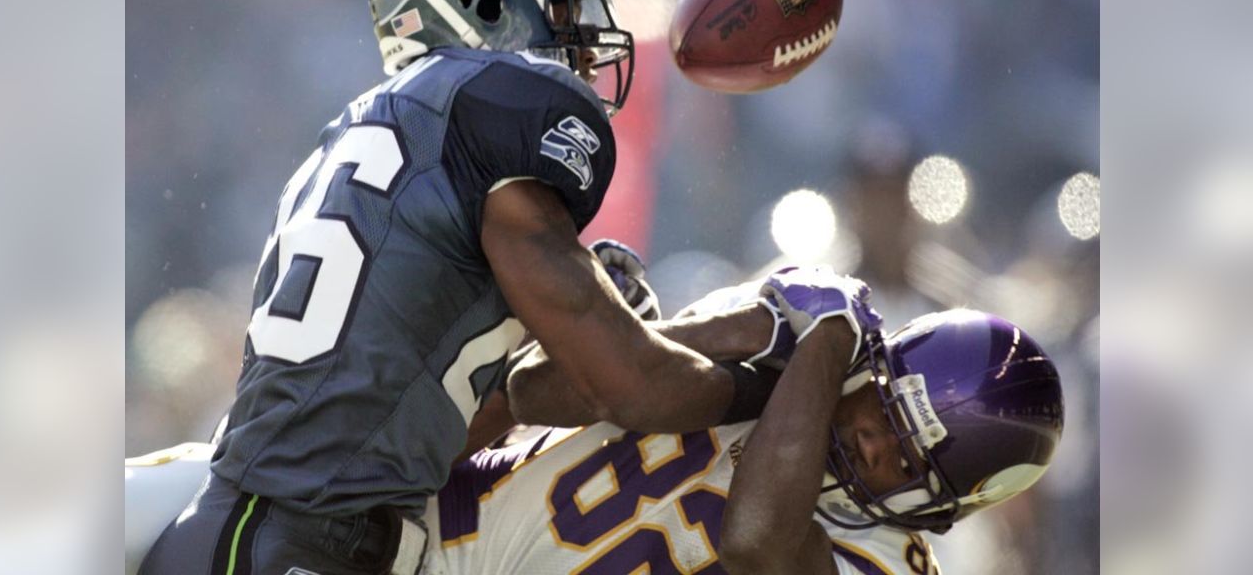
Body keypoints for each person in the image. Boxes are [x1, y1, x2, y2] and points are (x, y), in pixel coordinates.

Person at [137, 0, 866, 575]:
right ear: (485, 1)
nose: (585, 34)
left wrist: (591, 340)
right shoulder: (497, 109)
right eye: (561, 2)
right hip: (299, 546)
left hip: (260, 534)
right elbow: (637, 389)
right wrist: (779, 378)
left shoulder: (369, 139)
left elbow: (446, 422)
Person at [129, 266, 1062, 575]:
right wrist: (722, 325)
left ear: (945, 510)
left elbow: (758, 538)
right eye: (881, 413)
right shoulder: (788, 382)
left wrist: (819, 337)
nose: (870, 441)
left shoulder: (889, 562)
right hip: (393, 518)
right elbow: (550, 391)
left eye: (905, 457)